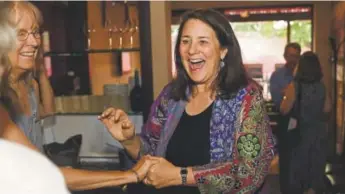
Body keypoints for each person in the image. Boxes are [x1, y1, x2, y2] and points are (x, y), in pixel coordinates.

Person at [99, 8, 275, 194]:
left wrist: (180, 175)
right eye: (185, 41)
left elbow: (250, 172)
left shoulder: (246, 98)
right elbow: (152, 158)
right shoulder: (171, 96)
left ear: (223, 50)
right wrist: (129, 141)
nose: (192, 50)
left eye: (203, 41)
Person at [0, 1, 158, 191]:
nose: (34, 42)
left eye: (35, 32)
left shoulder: (28, 85)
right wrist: (131, 175)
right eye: (21, 34)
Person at [280, 51, 331, 194]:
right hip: (319, 133)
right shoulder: (322, 87)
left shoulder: (294, 86)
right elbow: (327, 108)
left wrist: (285, 97)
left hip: (300, 133)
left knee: (299, 170)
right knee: (315, 169)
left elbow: (284, 109)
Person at [269, 42, 301, 194]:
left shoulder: (304, 75)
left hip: (302, 121)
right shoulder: (277, 76)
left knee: (301, 157)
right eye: (290, 55)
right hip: (285, 119)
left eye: (296, 55)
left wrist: (286, 93)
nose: (293, 59)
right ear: (284, 56)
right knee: (286, 157)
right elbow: (277, 100)